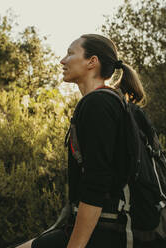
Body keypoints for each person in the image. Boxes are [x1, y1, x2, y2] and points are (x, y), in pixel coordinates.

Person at [16, 34, 146, 248]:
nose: (62, 60)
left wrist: (75, 245)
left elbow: (97, 182)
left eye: (70, 53)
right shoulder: (111, 101)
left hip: (107, 231)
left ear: (91, 62)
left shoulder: (98, 104)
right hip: (111, 226)